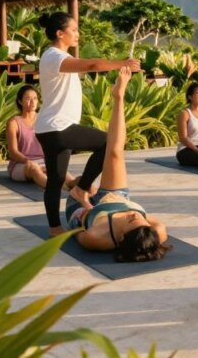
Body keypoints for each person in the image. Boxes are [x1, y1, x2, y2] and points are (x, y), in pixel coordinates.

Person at [34, 12, 141, 237]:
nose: (77, 34)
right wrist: (122, 63)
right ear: (59, 33)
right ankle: (81, 190)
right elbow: (92, 64)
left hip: (49, 128)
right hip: (58, 127)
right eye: (73, 30)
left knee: (56, 180)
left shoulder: (55, 56)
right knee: (107, 142)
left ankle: (55, 228)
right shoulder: (54, 56)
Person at [66, 67, 171, 262]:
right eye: (141, 221)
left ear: (121, 238)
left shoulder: (95, 238)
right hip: (116, 198)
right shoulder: (157, 231)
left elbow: (75, 229)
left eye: (132, 221)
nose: (135, 216)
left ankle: (77, 184)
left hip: (82, 209)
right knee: (114, 152)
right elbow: (143, 224)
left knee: (83, 188)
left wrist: (85, 202)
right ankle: (119, 97)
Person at [6, 85, 76, 190]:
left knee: (68, 178)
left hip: (44, 161)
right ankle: (57, 189)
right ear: (20, 102)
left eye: (35, 98)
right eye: (28, 98)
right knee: (34, 169)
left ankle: (86, 189)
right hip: (21, 163)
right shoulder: (14, 123)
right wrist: (27, 161)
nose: (32, 102)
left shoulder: (44, 119)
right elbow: (13, 151)